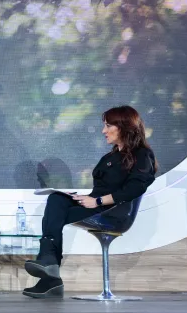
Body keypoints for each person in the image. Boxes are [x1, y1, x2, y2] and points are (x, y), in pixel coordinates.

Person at [23, 106, 157, 299]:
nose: (104, 131)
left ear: (124, 127)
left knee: (55, 217)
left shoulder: (142, 154)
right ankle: (49, 266)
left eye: (108, 126)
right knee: (56, 199)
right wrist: (81, 198)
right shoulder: (110, 157)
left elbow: (135, 188)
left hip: (115, 212)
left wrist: (98, 201)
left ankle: (50, 275)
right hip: (97, 206)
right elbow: (99, 191)